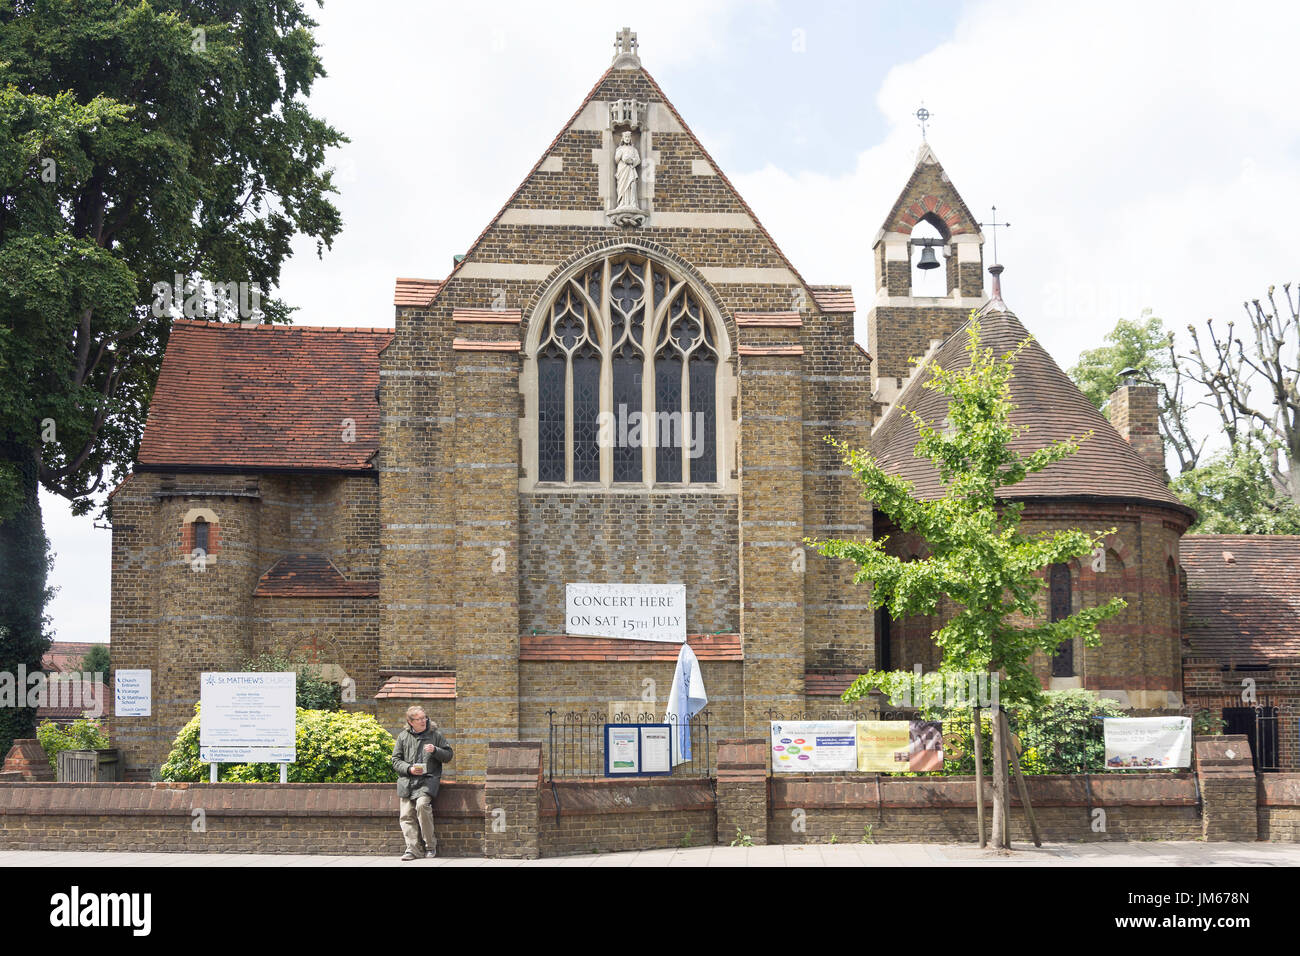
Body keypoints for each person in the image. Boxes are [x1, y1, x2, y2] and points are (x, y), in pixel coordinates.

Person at [391, 705, 453, 860]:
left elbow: (448, 755)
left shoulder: (435, 734)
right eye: (419, 719)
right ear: (410, 721)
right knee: (406, 815)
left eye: (424, 717)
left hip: (428, 781)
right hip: (407, 782)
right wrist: (409, 769)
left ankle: (430, 846)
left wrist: (435, 750)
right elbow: (395, 760)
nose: (423, 721)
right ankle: (413, 850)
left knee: (422, 805)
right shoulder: (403, 737)